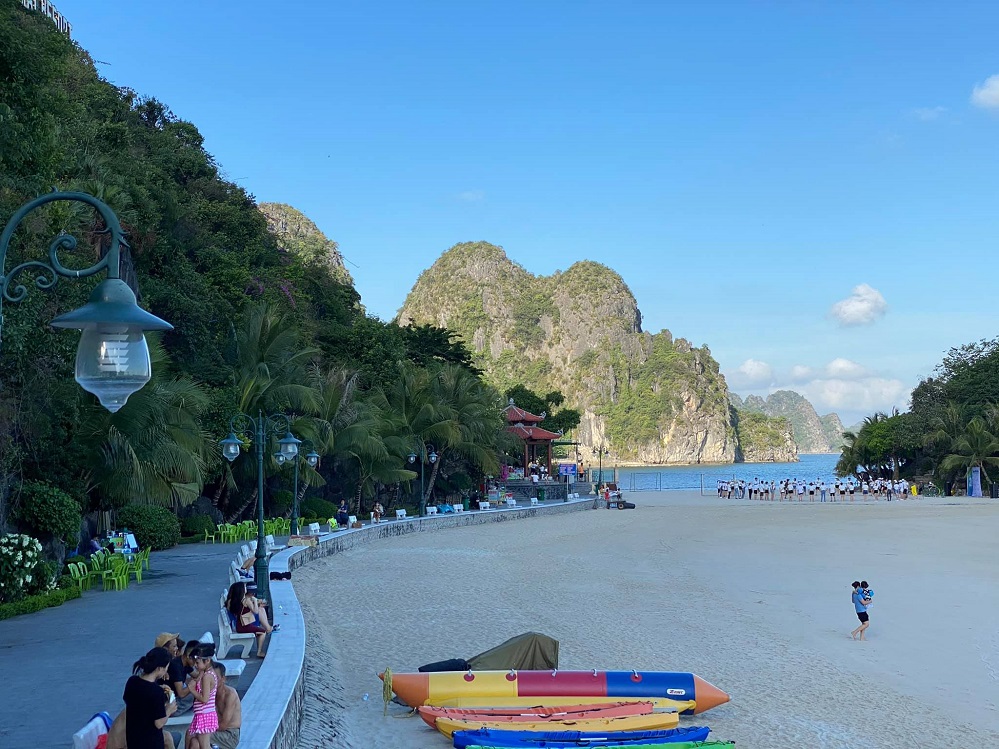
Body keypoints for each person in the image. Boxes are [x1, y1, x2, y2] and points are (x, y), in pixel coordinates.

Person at [124, 647, 178, 749]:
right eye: (166, 668)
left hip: (133, 740)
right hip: (150, 743)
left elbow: (138, 700)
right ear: (159, 668)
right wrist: (169, 709)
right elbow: (159, 723)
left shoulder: (132, 681)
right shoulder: (156, 692)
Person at [226, 581, 276, 658]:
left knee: (260, 613)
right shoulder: (246, 600)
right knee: (262, 632)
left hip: (237, 624)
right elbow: (255, 611)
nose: (246, 589)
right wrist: (255, 601)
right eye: (244, 588)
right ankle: (259, 652)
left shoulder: (231, 601)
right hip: (243, 625)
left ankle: (268, 629)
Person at [185, 644, 218, 749]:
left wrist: (192, 690)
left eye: (197, 662)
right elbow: (197, 680)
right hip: (202, 714)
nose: (195, 665)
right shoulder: (204, 672)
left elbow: (205, 699)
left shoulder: (207, 677)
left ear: (207, 660)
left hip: (204, 714)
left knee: (204, 746)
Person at [212, 661, 242, 749]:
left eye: (215, 678)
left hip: (230, 735)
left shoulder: (230, 695)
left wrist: (204, 728)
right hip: (216, 731)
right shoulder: (210, 694)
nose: (212, 681)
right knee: (194, 740)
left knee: (199, 736)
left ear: (223, 679)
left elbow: (224, 725)